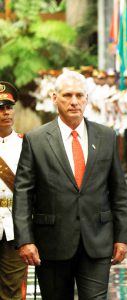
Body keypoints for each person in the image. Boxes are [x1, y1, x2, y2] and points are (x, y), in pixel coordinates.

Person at [12, 70, 127, 299]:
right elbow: (23, 193)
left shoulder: (106, 136)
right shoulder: (36, 140)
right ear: (54, 97)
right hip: (53, 244)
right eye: (67, 95)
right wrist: (25, 240)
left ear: (87, 98)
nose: (74, 101)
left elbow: (119, 192)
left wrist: (122, 237)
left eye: (79, 95)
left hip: (97, 242)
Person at [0, 81, 27, 300]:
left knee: (12, 291)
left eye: (9, 107)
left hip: (14, 228)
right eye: (0, 108)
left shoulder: (27, 145)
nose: (5, 113)